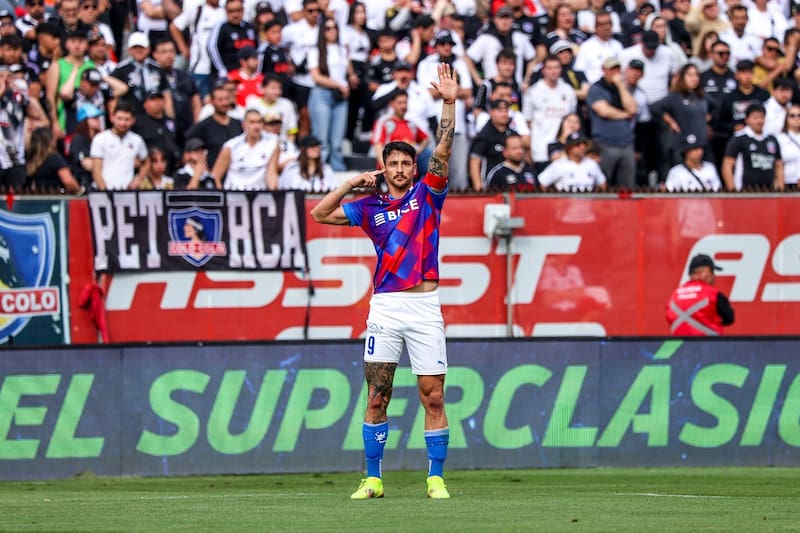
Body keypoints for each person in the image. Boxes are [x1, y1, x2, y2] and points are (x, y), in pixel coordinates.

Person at [310, 63, 457, 501]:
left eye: (405, 163)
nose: (399, 169)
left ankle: (435, 479)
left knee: (433, 396)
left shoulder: (428, 194)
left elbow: (444, 147)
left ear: (414, 168)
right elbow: (319, 214)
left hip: (425, 307)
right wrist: (350, 183)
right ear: (384, 167)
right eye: (392, 163)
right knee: (377, 395)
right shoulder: (369, 207)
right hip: (386, 308)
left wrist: (449, 103)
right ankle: (372, 479)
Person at [586, 57, 637, 188]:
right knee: (604, 184)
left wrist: (621, 86)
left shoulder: (624, 88)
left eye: (617, 69)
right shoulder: (596, 88)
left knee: (627, 186)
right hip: (605, 144)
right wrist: (626, 114)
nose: (615, 73)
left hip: (626, 144)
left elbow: (633, 108)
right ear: (604, 70)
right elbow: (604, 111)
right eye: (611, 69)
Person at [308, 17, 351, 171]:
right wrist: (339, 84)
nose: (332, 31)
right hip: (322, 93)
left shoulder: (342, 49)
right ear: (322, 31)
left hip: (340, 95)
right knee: (321, 138)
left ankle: (337, 168)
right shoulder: (315, 51)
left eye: (334, 28)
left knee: (337, 138)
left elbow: (347, 72)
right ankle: (320, 169)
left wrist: (350, 80)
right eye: (328, 28)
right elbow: (316, 77)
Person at [666, 253, 734, 336]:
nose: (714, 276)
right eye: (711, 271)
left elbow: (669, 318)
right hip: (708, 343)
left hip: (679, 344)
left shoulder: (674, 295)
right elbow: (729, 318)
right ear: (699, 272)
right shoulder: (713, 294)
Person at [722, 102, 784, 191]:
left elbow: (779, 165)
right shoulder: (739, 138)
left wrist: (780, 189)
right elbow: (727, 165)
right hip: (744, 191)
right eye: (755, 118)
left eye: (762, 117)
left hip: (769, 191)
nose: (759, 121)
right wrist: (732, 190)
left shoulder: (771, 139)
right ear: (747, 119)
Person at [212, 108, 279, 190]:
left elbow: (271, 173)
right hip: (234, 192)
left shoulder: (272, 144)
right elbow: (216, 176)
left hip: (259, 193)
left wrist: (273, 192)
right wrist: (222, 194)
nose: (256, 126)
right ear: (244, 125)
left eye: (259, 122)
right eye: (252, 122)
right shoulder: (231, 146)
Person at [89, 101, 148, 190]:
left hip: (127, 192)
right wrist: (104, 191)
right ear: (112, 118)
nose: (122, 123)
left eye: (127, 119)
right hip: (103, 191)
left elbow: (146, 162)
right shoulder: (100, 139)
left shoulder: (137, 140)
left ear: (133, 120)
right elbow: (96, 169)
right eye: (119, 119)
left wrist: (139, 179)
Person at [537, 131, 607, 191]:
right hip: (565, 201)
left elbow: (602, 185)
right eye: (578, 145)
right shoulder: (559, 165)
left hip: (588, 201)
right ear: (569, 148)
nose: (582, 148)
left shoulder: (592, 164)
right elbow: (542, 185)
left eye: (584, 144)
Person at [25, 126, 82, 193]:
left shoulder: (32, 160)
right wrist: (79, 190)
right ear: (49, 140)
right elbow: (69, 182)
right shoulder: (54, 158)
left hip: (42, 195)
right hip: (56, 196)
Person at [777, 103, 800, 190]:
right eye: (792, 115)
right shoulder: (780, 138)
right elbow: (778, 163)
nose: (796, 118)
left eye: (799, 115)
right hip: (788, 182)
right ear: (786, 118)